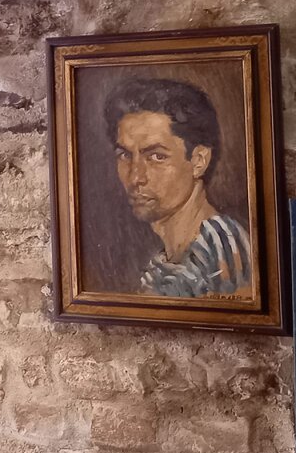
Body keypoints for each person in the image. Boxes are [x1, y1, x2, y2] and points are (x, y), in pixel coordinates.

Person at [103, 78, 251, 298]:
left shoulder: (221, 250)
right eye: (125, 155)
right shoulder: (165, 263)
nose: (135, 177)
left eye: (157, 156)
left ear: (199, 161)